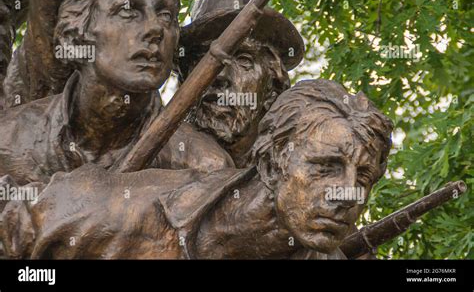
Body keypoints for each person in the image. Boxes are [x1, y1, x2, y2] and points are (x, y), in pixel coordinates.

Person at [0, 79, 393, 259]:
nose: (347, 195)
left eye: (363, 178)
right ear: (273, 162)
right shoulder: (106, 205)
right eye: (326, 166)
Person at [0, 0, 234, 186]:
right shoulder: (9, 140)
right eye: (128, 11)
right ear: (78, 31)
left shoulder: (204, 166)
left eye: (165, 14)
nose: (155, 29)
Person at [175, 0, 304, 167]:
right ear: (184, 79)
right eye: (203, 60)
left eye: (243, 60)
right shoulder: (159, 161)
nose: (219, 75)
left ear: (274, 87)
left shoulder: (300, 174)